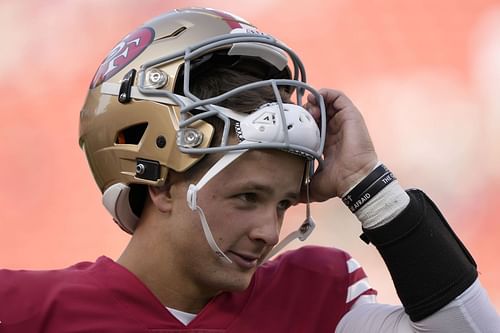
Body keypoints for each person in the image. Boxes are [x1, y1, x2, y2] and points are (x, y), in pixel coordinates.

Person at [0, 7, 498, 332]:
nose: (267, 230)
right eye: (247, 197)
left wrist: (369, 184)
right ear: (163, 184)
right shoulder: (25, 308)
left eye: (283, 203)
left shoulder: (313, 299)